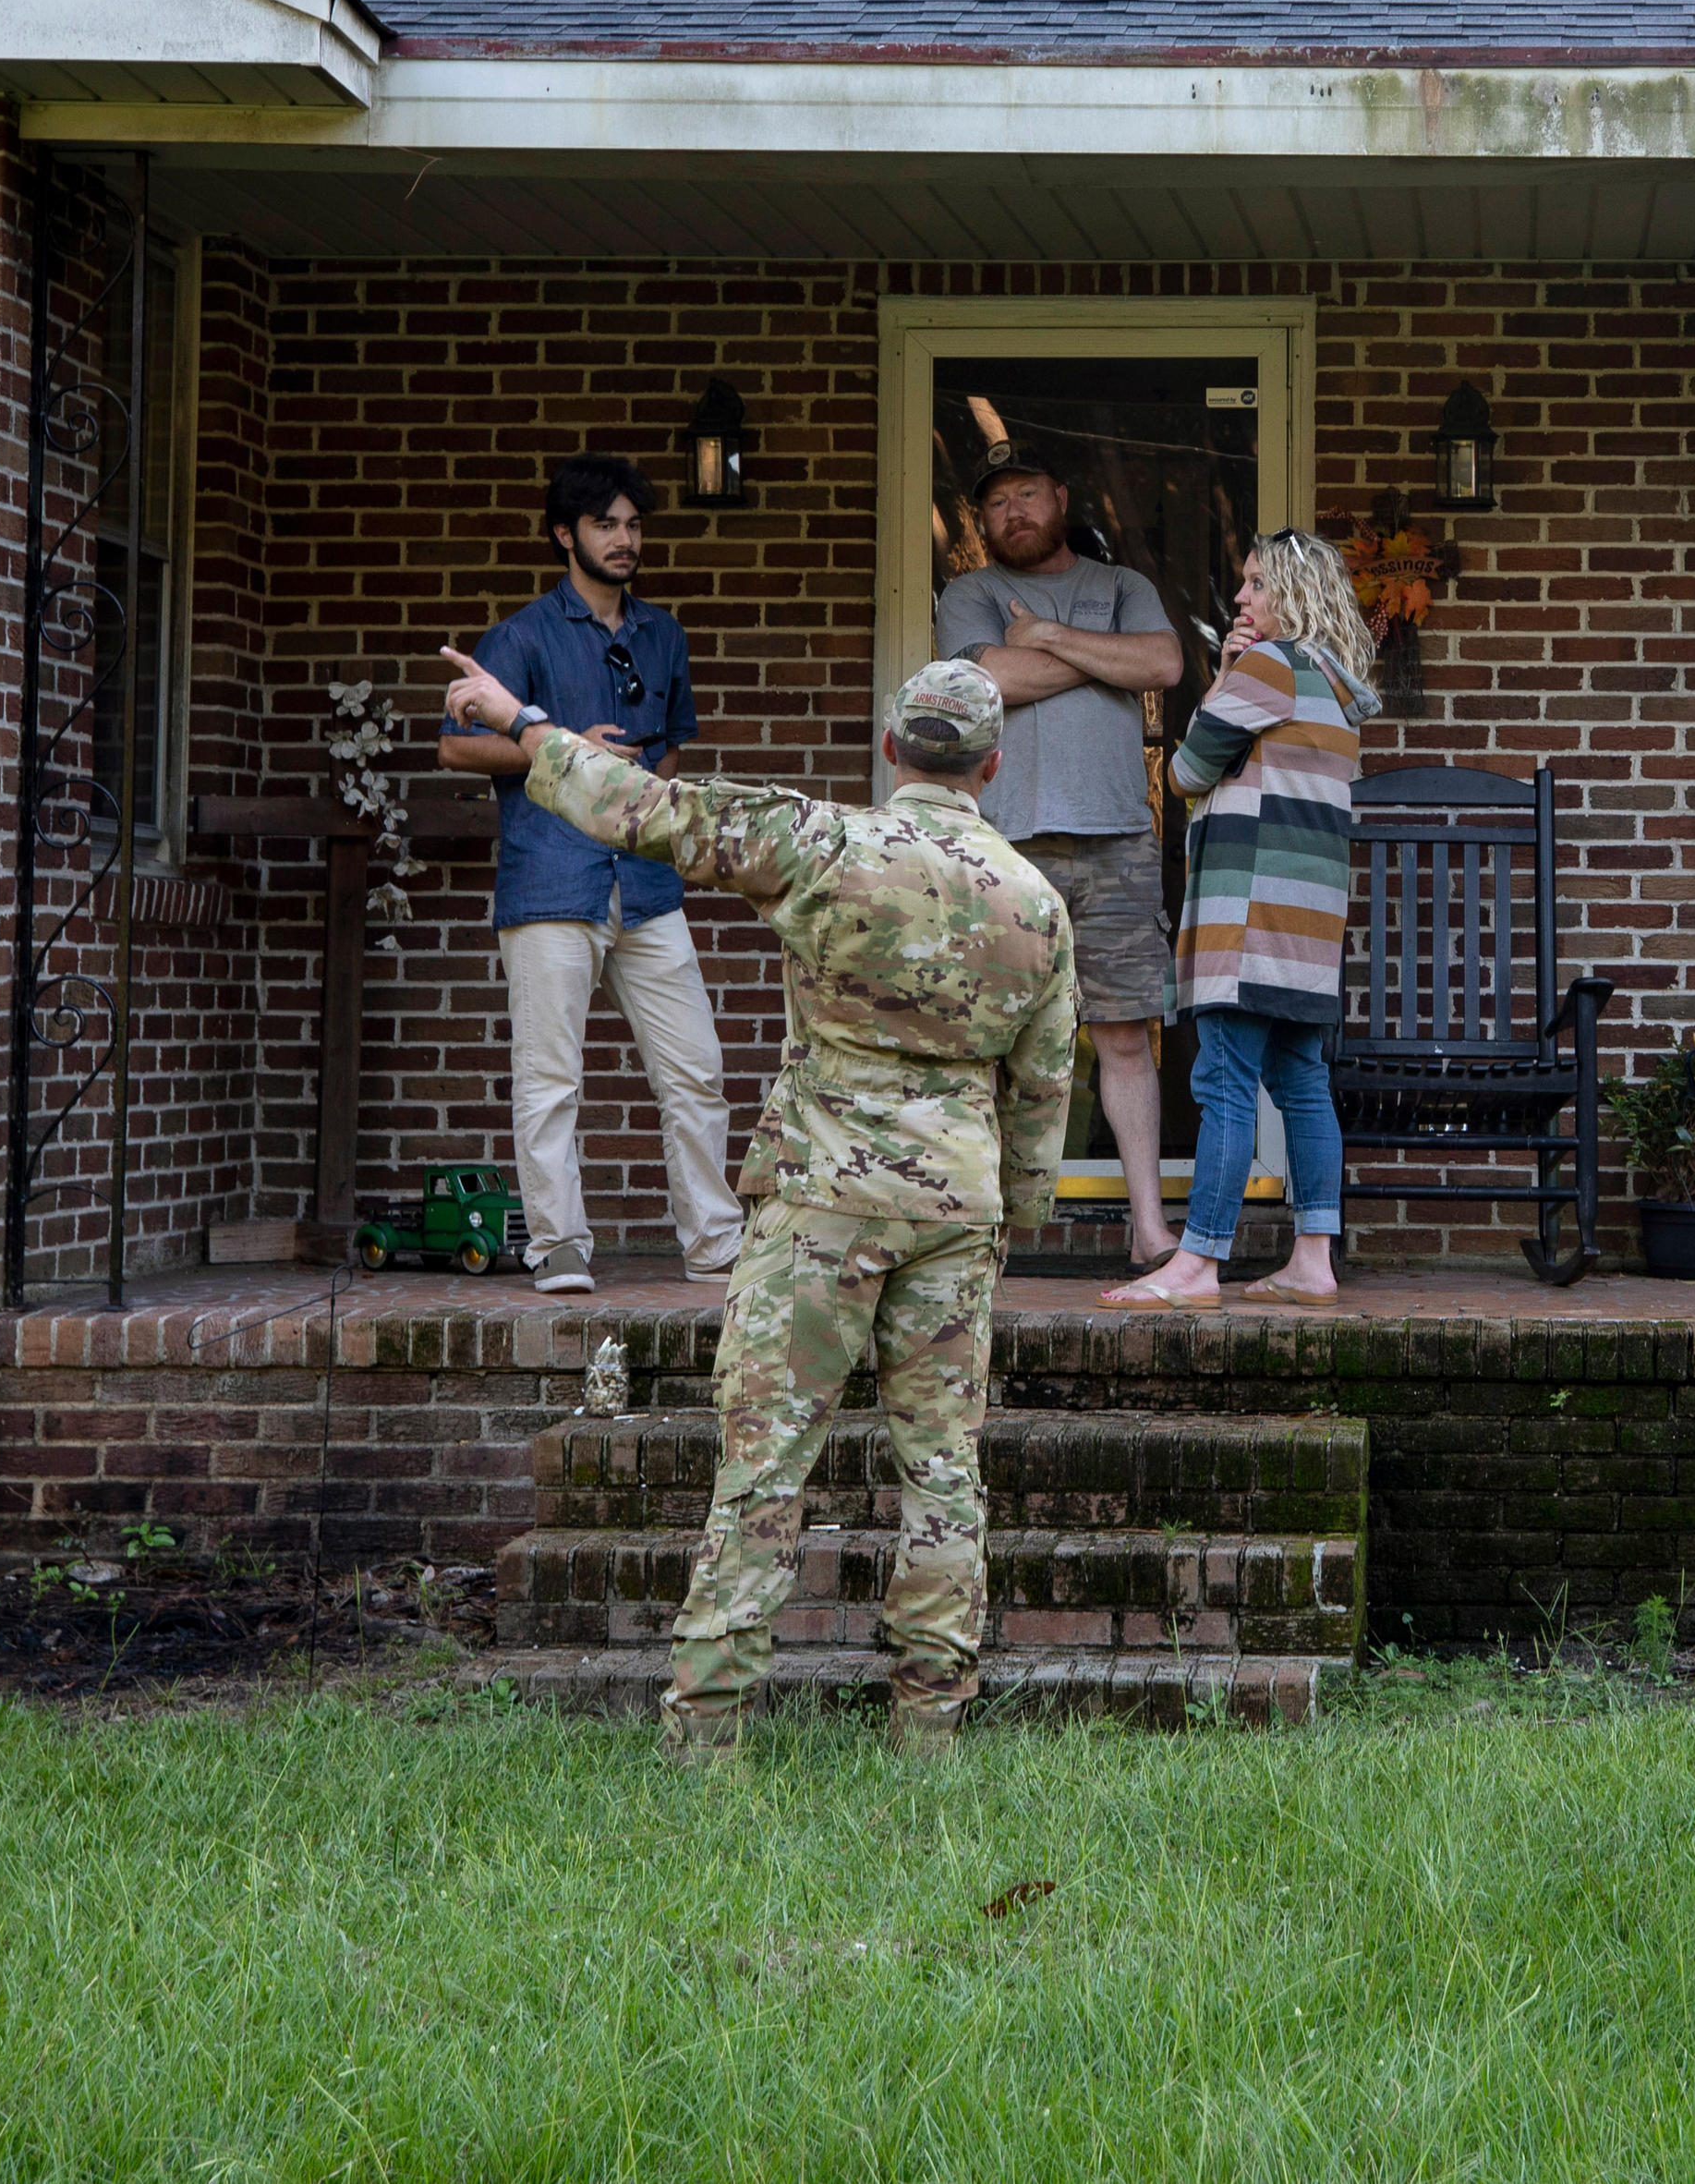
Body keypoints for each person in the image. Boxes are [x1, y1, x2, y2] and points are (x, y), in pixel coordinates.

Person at [434, 651, 1077, 1764]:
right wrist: (1015, 1212)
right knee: (941, 1467)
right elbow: (1043, 1089)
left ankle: (709, 1731)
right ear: (992, 764)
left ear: (891, 750)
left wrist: (522, 720)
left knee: (765, 1464)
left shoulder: (822, 842)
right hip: (955, 1209)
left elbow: (643, 808)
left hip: (821, 1200)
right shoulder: (1034, 902)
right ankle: (929, 1730)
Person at [436, 455, 739, 1291]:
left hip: (646, 882)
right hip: (551, 879)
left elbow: (673, 743)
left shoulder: (663, 632)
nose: (625, 539)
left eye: (634, 524)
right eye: (606, 524)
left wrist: (644, 791)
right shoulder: (521, 634)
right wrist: (569, 752)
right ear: (566, 535)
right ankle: (558, 1247)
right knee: (549, 1078)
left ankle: (714, 1243)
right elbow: (456, 742)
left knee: (697, 1070)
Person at [1103, 530, 1376, 1309]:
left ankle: (1196, 1263)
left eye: (1257, 584)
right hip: (1308, 928)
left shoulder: (1267, 666)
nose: (1243, 598)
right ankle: (1312, 1260)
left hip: (1248, 918)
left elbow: (1187, 771)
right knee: (1300, 1081)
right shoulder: (1337, 683)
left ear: (1292, 592)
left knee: (1222, 1082)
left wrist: (1223, 673)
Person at [932, 443, 1188, 1262]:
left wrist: (1046, 635)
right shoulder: (970, 592)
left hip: (1118, 841)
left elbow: (1164, 662)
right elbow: (990, 680)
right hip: (1004, 847)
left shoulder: (1123, 587)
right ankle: (989, 1236)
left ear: (1061, 497)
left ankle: (1149, 1230)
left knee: (1123, 1032)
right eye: (997, 501)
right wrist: (1091, 654)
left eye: (1028, 494)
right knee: (995, 1038)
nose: (1014, 512)